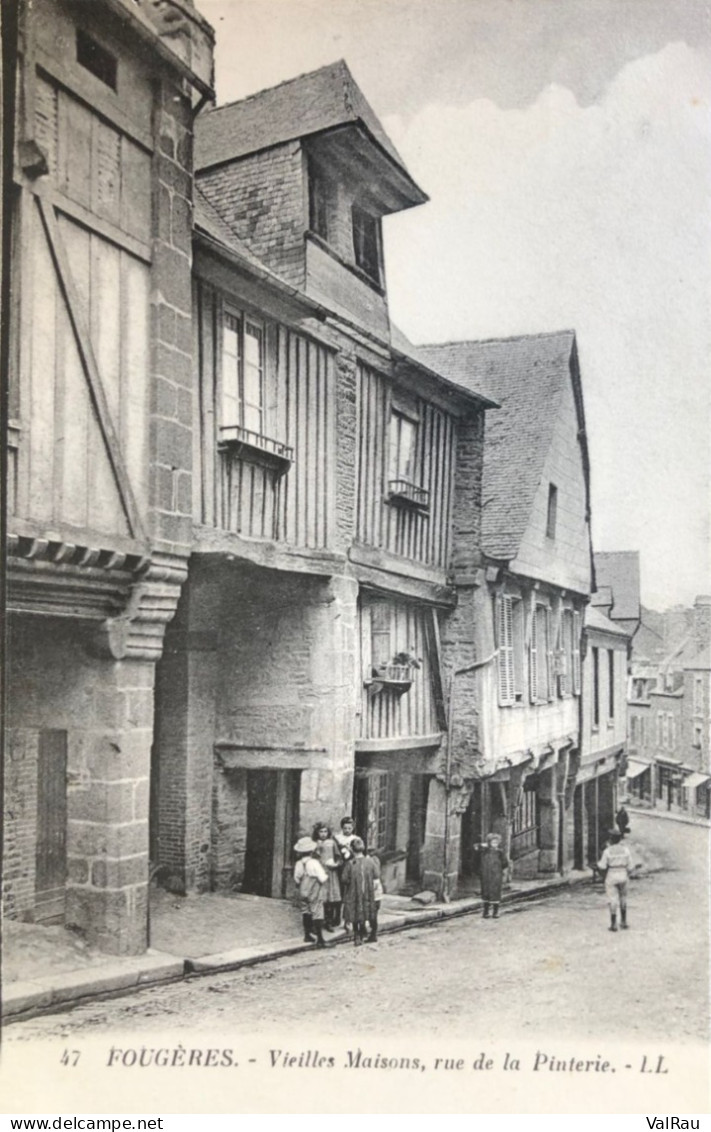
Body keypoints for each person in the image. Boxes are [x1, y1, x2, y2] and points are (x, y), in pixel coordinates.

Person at [341, 837, 380, 945]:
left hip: (353, 892)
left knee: (355, 911)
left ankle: (357, 936)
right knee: (367, 910)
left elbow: (344, 879)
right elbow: (376, 876)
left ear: (352, 850)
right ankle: (372, 934)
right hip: (367, 892)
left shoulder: (350, 863)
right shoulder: (370, 862)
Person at [293, 836, 328, 948]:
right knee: (317, 912)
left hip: (303, 891)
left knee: (305, 911)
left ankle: (307, 935)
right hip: (314, 891)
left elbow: (297, 878)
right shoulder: (313, 863)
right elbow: (322, 878)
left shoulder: (298, 863)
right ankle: (320, 939)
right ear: (311, 851)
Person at [597, 830, 633, 931]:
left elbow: (602, 866)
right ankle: (623, 921)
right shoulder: (625, 850)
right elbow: (630, 866)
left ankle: (613, 924)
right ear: (619, 839)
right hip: (623, 874)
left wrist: (599, 864)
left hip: (612, 874)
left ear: (611, 839)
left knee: (612, 899)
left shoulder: (607, 851)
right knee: (623, 898)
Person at [312, 822, 342, 930]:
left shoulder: (332, 843)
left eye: (325, 831)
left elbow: (339, 857)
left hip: (330, 874)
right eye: (321, 831)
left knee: (330, 899)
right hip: (319, 873)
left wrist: (336, 864)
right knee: (319, 898)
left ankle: (328, 922)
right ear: (317, 832)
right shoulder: (314, 843)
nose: (323, 834)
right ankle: (317, 923)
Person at [476, 831, 510, 919]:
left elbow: (505, 863)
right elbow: (476, 847)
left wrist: (498, 870)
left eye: (496, 842)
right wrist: (483, 845)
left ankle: (495, 912)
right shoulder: (485, 852)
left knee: (495, 892)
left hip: (496, 876)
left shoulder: (500, 852)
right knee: (486, 892)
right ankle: (486, 911)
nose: (494, 844)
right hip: (486, 875)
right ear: (489, 843)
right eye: (492, 842)